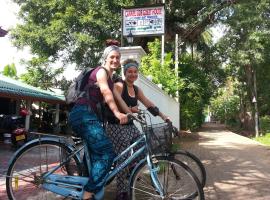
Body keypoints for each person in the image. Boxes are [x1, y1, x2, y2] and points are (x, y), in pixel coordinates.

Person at [68, 40, 128, 200]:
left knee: (97, 160)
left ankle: (91, 190)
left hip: (89, 116)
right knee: (107, 153)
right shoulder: (101, 72)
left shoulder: (111, 78)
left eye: (118, 57)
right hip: (82, 114)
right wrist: (116, 113)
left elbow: (119, 99)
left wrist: (131, 114)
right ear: (106, 58)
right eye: (112, 57)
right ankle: (87, 194)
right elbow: (106, 92)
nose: (115, 60)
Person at [106, 58, 169, 200]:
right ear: (125, 72)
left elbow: (148, 104)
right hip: (116, 126)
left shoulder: (136, 89)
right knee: (124, 159)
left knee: (143, 147)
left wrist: (163, 116)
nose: (133, 74)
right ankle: (121, 192)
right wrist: (131, 110)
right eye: (130, 71)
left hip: (130, 126)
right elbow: (112, 104)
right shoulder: (119, 86)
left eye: (135, 72)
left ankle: (132, 171)